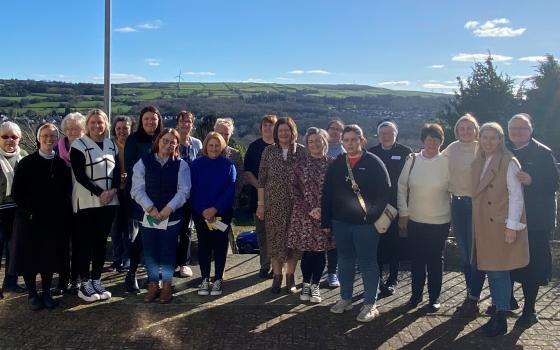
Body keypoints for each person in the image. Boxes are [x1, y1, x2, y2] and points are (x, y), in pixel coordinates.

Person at [321, 124, 390, 322]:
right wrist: (326, 220)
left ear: (362, 140)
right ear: (342, 142)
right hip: (341, 222)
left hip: (366, 224)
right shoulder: (337, 164)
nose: (350, 143)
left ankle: (370, 303)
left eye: (354, 139)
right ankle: (346, 298)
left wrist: (372, 216)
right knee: (345, 261)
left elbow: (384, 192)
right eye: (346, 140)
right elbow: (327, 194)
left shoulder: (374, 162)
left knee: (368, 262)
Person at [471, 122, 529, 337]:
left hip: (500, 224)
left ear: (500, 140)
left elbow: (516, 195)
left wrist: (512, 226)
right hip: (484, 224)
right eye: (484, 138)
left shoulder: (508, 161)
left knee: (498, 273)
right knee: (493, 271)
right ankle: (497, 313)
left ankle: (500, 319)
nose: (488, 142)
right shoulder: (481, 160)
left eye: (492, 138)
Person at [10, 123, 72, 310]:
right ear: (38, 138)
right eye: (45, 135)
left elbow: (65, 192)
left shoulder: (61, 164)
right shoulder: (26, 163)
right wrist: (31, 211)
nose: (49, 138)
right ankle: (32, 294)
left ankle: (46, 293)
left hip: (52, 221)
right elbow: (17, 192)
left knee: (48, 258)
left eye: (53, 135)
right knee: (29, 259)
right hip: (30, 219)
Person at [508, 113, 560, 328]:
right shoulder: (504, 150)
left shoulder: (542, 152)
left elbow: (554, 183)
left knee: (532, 265)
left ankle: (530, 310)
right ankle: (506, 301)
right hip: (510, 218)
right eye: (514, 129)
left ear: (530, 130)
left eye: (523, 128)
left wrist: (532, 180)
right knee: (507, 262)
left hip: (535, 221)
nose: (518, 132)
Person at [131, 128, 190, 303]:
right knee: (150, 253)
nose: (168, 144)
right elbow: (136, 189)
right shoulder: (143, 162)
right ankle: (152, 285)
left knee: (168, 252)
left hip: (171, 218)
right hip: (149, 217)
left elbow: (184, 191)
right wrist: (150, 208)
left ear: (177, 145)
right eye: (165, 140)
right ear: (158, 141)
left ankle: (166, 286)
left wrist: (167, 209)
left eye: (173, 142)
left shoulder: (182, 165)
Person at [397, 123, 450, 312]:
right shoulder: (411, 160)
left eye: (436, 139)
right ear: (423, 140)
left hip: (440, 221)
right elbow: (402, 187)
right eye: (429, 138)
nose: (432, 142)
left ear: (441, 142)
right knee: (417, 260)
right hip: (415, 220)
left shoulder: (446, 162)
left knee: (435, 260)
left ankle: (434, 298)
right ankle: (415, 296)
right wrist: (403, 212)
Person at [70, 109, 120, 302]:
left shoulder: (111, 144)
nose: (97, 126)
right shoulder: (78, 145)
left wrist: (113, 191)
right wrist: (101, 193)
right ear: (87, 125)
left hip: (109, 202)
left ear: (106, 124)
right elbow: (80, 175)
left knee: (100, 242)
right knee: (85, 243)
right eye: (93, 122)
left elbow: (117, 171)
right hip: (87, 201)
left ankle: (97, 280)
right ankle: (84, 284)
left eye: (100, 122)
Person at [441, 114, 488, 315]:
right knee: (465, 254)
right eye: (462, 129)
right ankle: (471, 295)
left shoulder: (483, 148)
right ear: (457, 131)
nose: (466, 132)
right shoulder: (452, 148)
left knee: (475, 254)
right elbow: (434, 162)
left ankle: (473, 298)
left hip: (477, 205)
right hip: (457, 204)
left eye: (470, 128)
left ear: (476, 130)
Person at [257, 117, 305, 293]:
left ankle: (290, 277)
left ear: (293, 132)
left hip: (296, 205)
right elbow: (261, 180)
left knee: (293, 242)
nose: (283, 133)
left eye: (287, 130)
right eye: (280, 131)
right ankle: (276, 277)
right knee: (275, 240)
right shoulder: (268, 152)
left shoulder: (302, 152)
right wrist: (260, 204)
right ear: (276, 133)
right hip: (273, 204)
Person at [287, 127, 334, 304]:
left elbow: (337, 191)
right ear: (307, 144)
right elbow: (294, 189)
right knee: (307, 251)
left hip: (325, 214)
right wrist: (309, 209)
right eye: (311, 141)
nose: (315, 144)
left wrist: (323, 209)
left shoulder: (332, 164)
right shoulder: (300, 164)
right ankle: (306, 283)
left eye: (318, 140)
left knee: (320, 251)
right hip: (304, 215)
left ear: (325, 142)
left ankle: (315, 286)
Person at [369, 120, 412, 296]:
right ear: (378, 136)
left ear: (396, 134)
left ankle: (392, 280)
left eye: (389, 133)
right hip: (376, 208)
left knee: (395, 245)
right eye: (382, 133)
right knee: (377, 245)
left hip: (397, 206)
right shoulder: (371, 153)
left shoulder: (406, 153)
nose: (386, 136)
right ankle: (377, 280)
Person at [191, 132, 236, 296]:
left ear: (223, 146)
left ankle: (217, 279)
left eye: (217, 145)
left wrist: (215, 209)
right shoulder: (196, 165)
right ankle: (204, 279)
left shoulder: (229, 165)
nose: (214, 148)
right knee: (204, 246)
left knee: (220, 246)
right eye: (211, 145)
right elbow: (193, 190)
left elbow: (229, 190)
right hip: (200, 213)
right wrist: (204, 210)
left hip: (222, 213)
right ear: (205, 146)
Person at [124, 105, 162, 293]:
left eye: (153, 119)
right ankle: (131, 274)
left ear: (158, 120)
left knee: (155, 235)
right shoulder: (133, 139)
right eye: (146, 119)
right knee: (144, 234)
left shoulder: (163, 138)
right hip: (142, 196)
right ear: (141, 120)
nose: (150, 122)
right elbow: (131, 169)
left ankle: (151, 275)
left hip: (161, 196)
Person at [55, 112, 86, 294]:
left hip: (82, 203)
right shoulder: (56, 151)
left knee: (80, 243)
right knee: (62, 245)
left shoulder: (86, 149)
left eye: (78, 129)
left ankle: (77, 278)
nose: (74, 132)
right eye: (70, 129)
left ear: (83, 131)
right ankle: (63, 279)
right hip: (61, 204)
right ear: (65, 131)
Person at [244, 114, 277, 278]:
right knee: (262, 234)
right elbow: (248, 172)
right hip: (258, 198)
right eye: (265, 125)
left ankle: (278, 267)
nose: (268, 128)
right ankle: (265, 265)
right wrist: (261, 188)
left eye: (271, 125)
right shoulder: (254, 147)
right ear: (261, 128)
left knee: (277, 234)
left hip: (280, 198)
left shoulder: (282, 146)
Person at [0, 121, 28, 298]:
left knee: (14, 249)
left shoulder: (24, 157)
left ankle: (11, 282)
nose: (10, 140)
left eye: (14, 136)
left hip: (18, 210)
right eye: (5, 136)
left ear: (19, 139)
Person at [175, 110, 202, 279]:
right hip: (175, 192)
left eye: (189, 121)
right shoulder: (172, 141)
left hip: (194, 192)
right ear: (177, 123)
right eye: (182, 121)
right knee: (173, 227)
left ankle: (183, 263)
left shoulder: (197, 144)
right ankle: (169, 261)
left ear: (192, 124)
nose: (185, 124)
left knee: (187, 228)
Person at [110, 116, 133, 272]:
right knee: (116, 227)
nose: (122, 131)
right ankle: (116, 258)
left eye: (125, 128)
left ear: (131, 129)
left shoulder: (134, 145)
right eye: (119, 128)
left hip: (131, 191)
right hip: (115, 190)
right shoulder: (110, 145)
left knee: (129, 227)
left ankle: (127, 258)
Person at [324, 119, 345, 288]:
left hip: (335, 201)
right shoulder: (317, 145)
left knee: (333, 240)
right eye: (333, 128)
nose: (335, 132)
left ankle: (332, 272)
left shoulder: (344, 152)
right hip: (313, 199)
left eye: (339, 129)